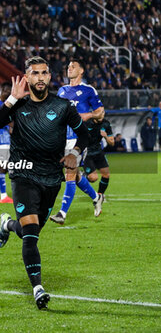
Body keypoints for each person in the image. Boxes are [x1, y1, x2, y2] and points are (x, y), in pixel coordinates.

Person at [0, 56, 89, 309]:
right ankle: (38, 288)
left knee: (29, 232)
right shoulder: (17, 104)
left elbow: (85, 135)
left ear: (50, 78)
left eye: (45, 73)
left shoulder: (63, 106)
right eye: (35, 73)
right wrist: (10, 99)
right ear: (27, 77)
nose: (40, 77)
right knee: (31, 234)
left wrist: (74, 154)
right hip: (23, 175)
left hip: (51, 178)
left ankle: (8, 224)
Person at [50, 59, 105, 225]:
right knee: (75, 175)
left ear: (81, 71)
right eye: (68, 66)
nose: (69, 68)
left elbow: (100, 113)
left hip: (78, 139)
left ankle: (62, 213)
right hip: (62, 139)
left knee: (70, 174)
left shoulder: (88, 90)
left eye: (73, 67)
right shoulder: (61, 90)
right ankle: (97, 198)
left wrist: (87, 116)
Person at [83, 116, 114, 200]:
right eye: (100, 112)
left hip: (98, 152)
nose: (102, 114)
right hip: (87, 153)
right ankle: (82, 176)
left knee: (106, 175)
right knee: (93, 178)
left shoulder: (106, 124)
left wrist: (106, 136)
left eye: (103, 113)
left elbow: (112, 143)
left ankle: (100, 195)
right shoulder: (87, 123)